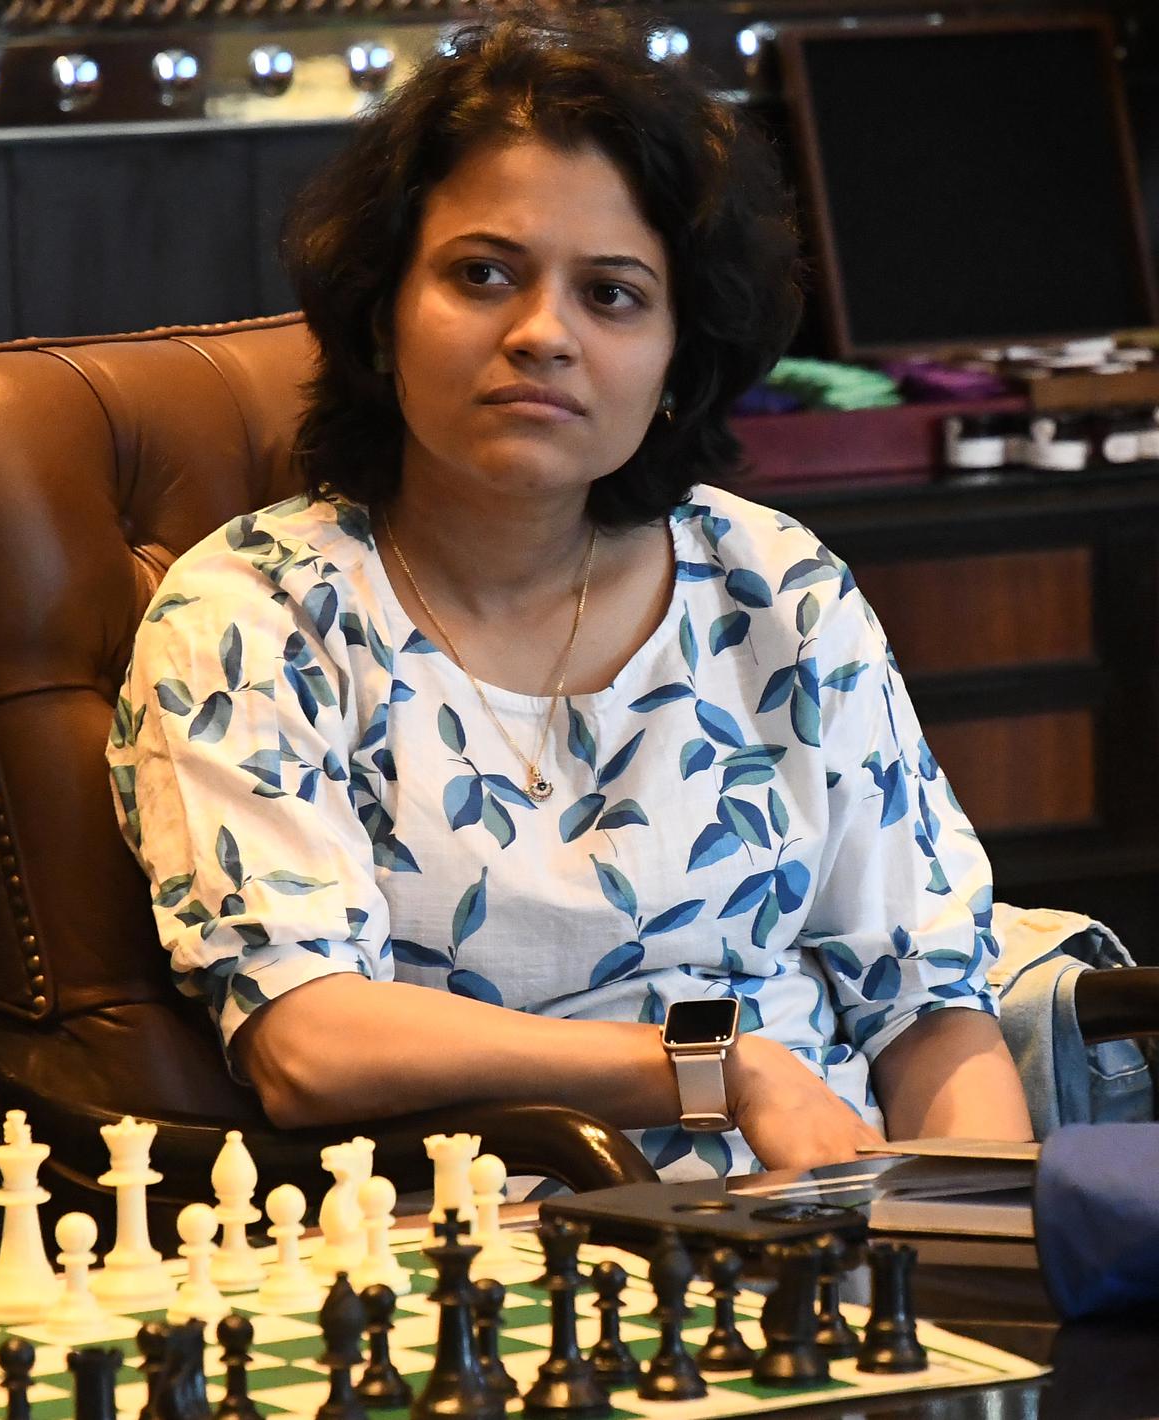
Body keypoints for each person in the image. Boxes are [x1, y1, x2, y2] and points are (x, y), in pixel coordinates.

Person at [106, 12, 1032, 1179]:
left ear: (674, 364)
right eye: (483, 274)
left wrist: (975, 1239)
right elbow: (308, 1035)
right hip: (473, 1272)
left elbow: (932, 1001)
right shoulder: (255, 612)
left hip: (833, 1248)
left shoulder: (777, 587)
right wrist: (715, 1062)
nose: (543, 333)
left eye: (613, 294)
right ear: (384, 319)